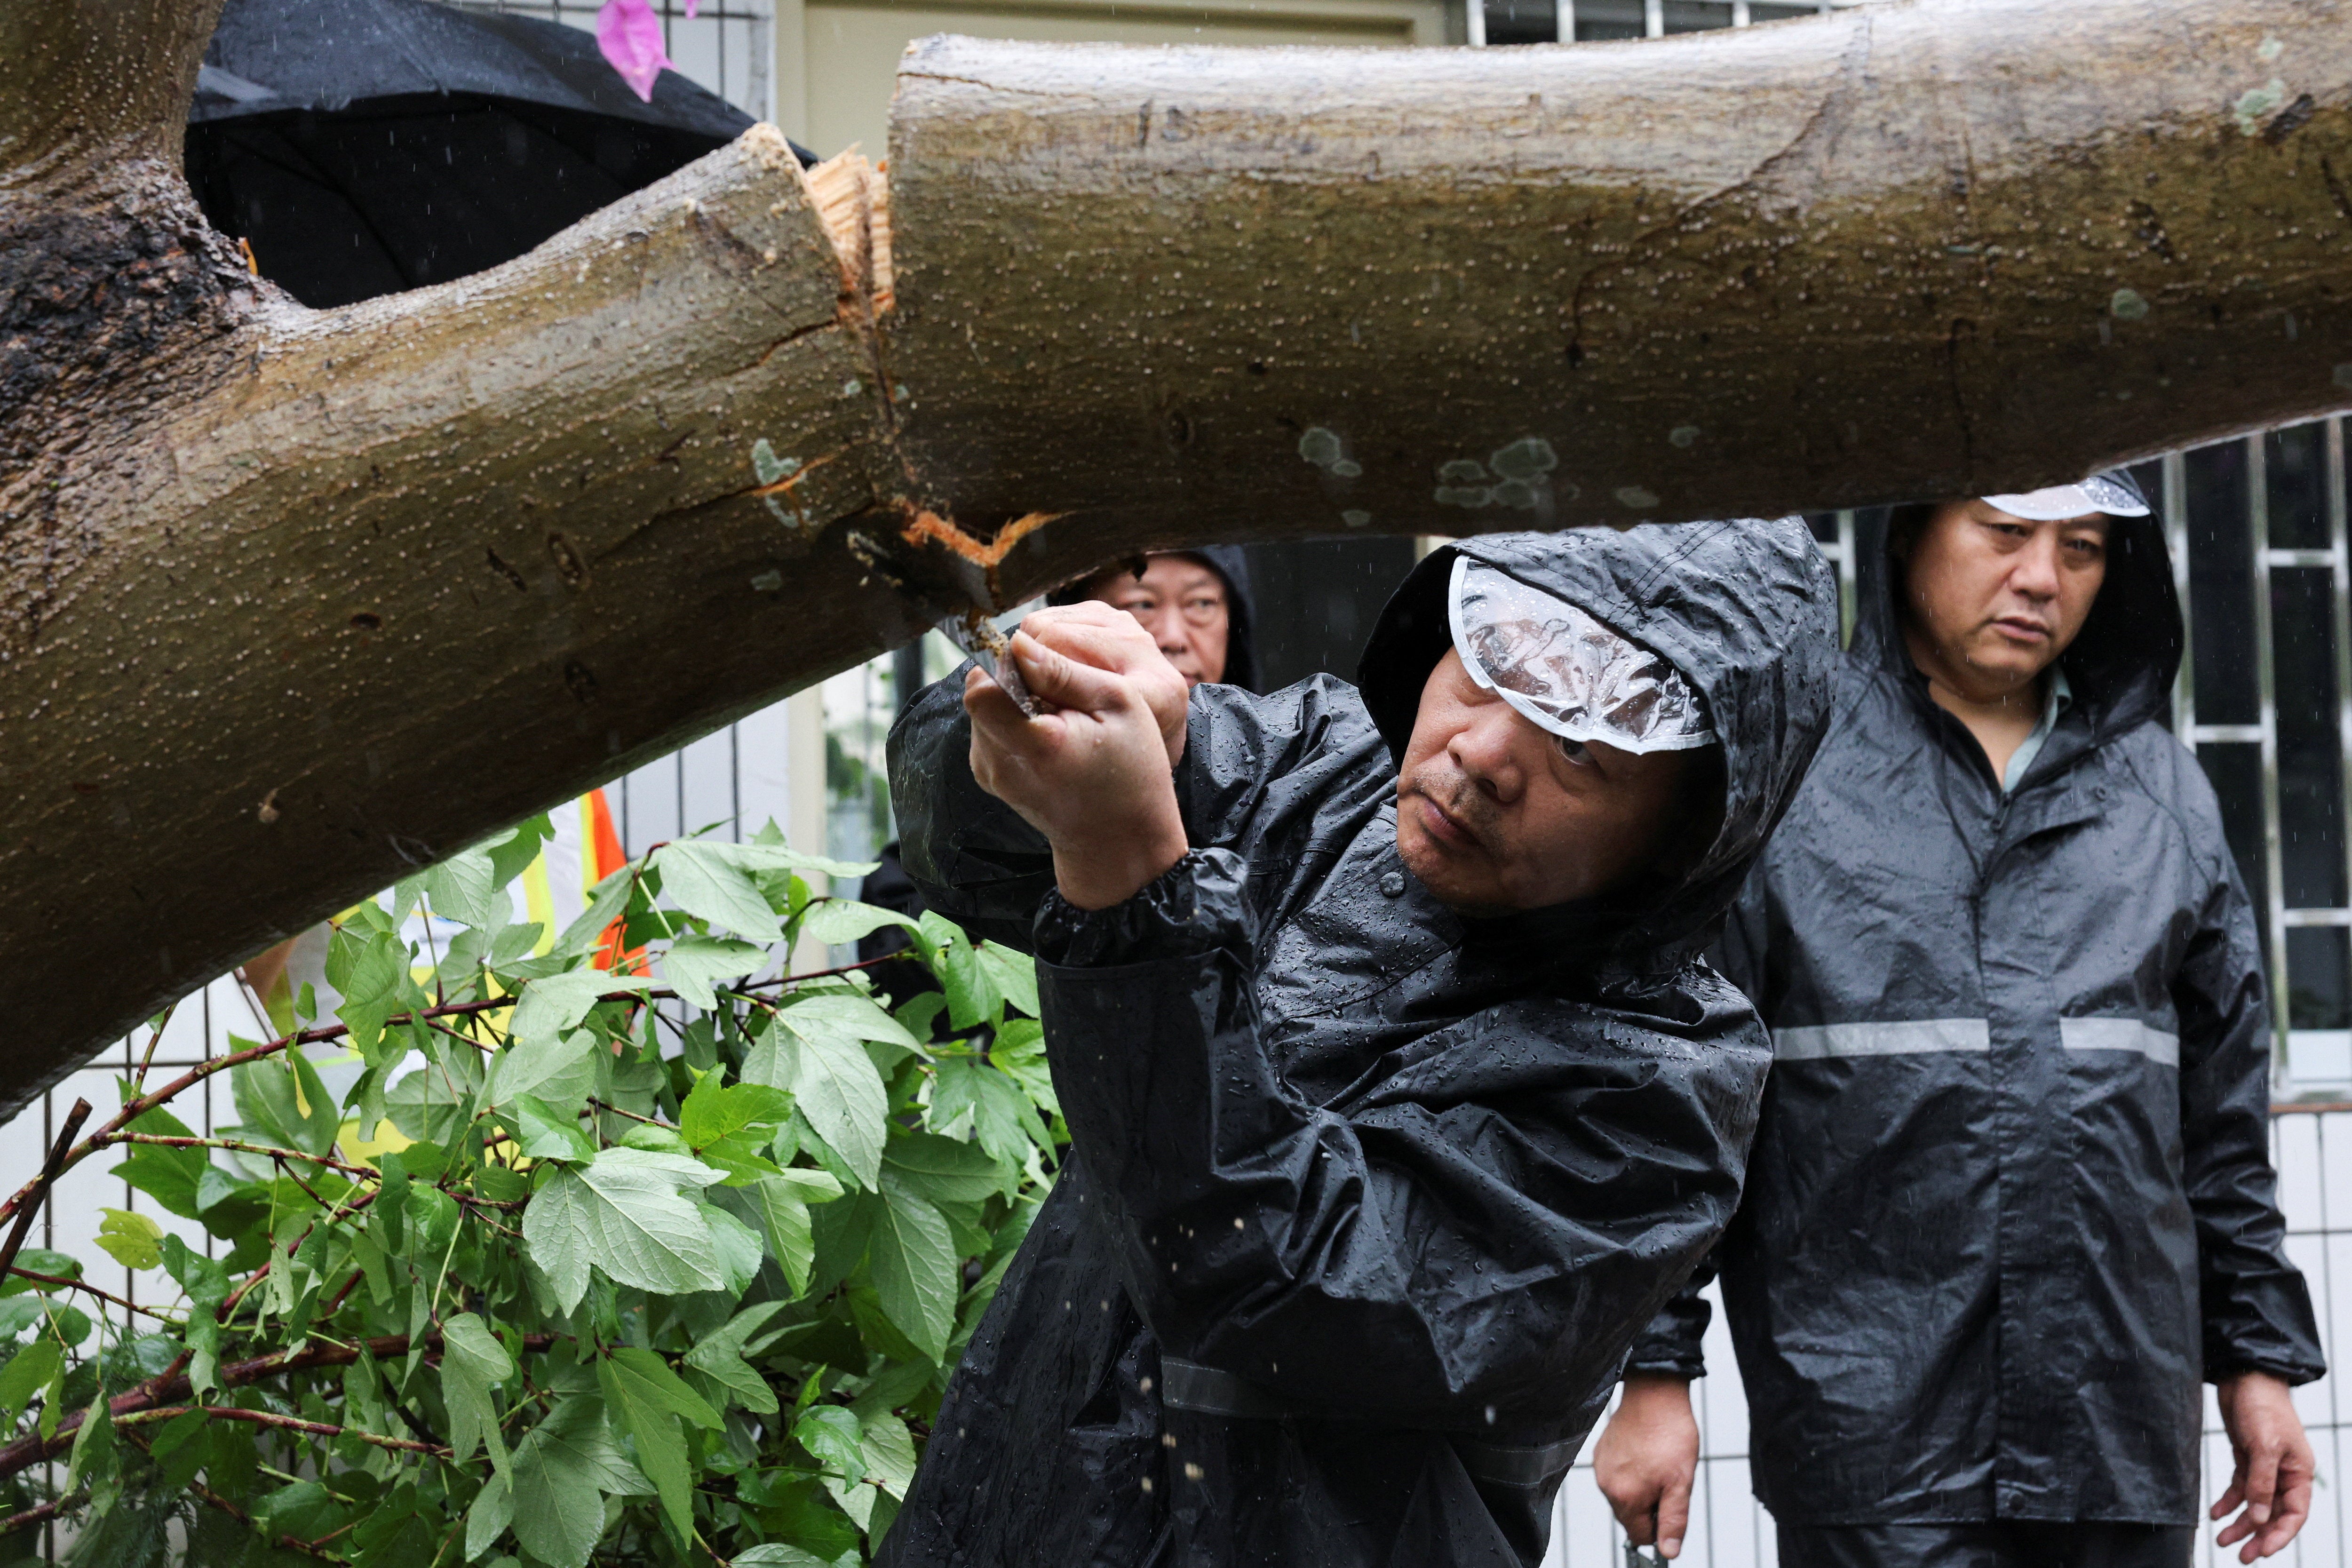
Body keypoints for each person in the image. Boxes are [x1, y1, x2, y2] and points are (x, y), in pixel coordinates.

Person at [876, 520, 1841, 1568]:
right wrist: (1045, 698)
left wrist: (1129, 878)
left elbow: (1279, 1280)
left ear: (1693, 819)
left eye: (1578, 741)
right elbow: (953, 841)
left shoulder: (1660, 1089)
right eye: (1492, 663)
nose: (1483, 755)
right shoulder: (1315, 772)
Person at [1592, 475, 2329, 1568]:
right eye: (2003, 532)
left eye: (2081, 548)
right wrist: (1654, 1371)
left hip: (2117, 1431)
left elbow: (2220, 1125)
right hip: (1870, 1436)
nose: (2040, 578)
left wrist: (2256, 1364)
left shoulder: (2162, 793)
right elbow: (1681, 1091)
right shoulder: (1792, 771)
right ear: (1906, 537)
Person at [856, 548, 1256, 980]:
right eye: (1142, 603)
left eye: (1202, 603)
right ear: (1077, 616)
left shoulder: (1281, 794)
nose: (1174, 636)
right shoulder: (956, 856)